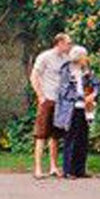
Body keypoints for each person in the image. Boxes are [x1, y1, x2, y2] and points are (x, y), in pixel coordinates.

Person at [53, 45, 100, 179]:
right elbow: (64, 92)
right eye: (85, 56)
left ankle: (80, 170)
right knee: (71, 138)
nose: (87, 58)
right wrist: (83, 97)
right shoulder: (66, 71)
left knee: (83, 139)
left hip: (85, 109)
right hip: (71, 108)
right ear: (79, 58)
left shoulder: (87, 71)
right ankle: (68, 170)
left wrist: (94, 95)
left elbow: (96, 84)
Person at [30, 32, 72, 179]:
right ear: (59, 43)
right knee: (41, 135)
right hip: (47, 99)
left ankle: (54, 167)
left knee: (55, 136)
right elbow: (34, 76)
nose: (70, 46)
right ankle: (38, 169)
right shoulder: (45, 57)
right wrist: (40, 96)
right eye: (68, 43)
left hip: (60, 102)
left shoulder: (66, 59)